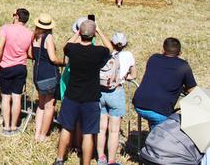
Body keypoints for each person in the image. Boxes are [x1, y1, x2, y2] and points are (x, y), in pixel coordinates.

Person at [54, 20, 113, 165]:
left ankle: (60, 159)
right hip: (91, 98)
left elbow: (66, 46)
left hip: (72, 96)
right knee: (88, 134)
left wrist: (78, 32)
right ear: (93, 36)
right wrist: (99, 30)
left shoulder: (73, 49)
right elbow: (110, 49)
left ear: (80, 33)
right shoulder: (99, 52)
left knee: (66, 128)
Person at [132, 37, 196, 128]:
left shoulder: (153, 58)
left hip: (139, 104)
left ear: (163, 49)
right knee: (159, 137)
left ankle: (151, 137)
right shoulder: (183, 66)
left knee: (154, 125)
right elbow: (192, 90)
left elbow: (160, 76)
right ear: (180, 53)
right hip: (160, 110)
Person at [97, 32, 137, 165]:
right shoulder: (128, 56)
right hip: (117, 91)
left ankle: (100, 157)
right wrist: (126, 77)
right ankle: (111, 160)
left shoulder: (104, 53)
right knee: (114, 130)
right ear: (125, 44)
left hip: (100, 91)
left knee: (101, 128)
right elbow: (133, 75)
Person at [29, 13, 64, 142]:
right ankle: (43, 135)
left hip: (37, 73)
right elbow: (53, 58)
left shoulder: (34, 36)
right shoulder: (48, 37)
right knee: (50, 105)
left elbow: (30, 53)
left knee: (41, 104)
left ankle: (37, 133)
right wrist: (64, 62)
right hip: (48, 75)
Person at [0, 8, 32, 135]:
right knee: (17, 97)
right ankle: (14, 126)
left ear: (16, 16)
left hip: (6, 66)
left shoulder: (5, 28)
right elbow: (29, 53)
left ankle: (6, 127)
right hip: (20, 66)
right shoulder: (29, 33)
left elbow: (0, 47)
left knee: (6, 97)